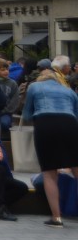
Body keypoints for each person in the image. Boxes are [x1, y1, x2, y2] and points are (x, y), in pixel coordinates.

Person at [22, 67, 78, 229]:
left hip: (45, 124)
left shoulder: (34, 87)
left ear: (41, 78)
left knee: (49, 173)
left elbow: (26, 114)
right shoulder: (69, 91)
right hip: (70, 124)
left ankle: (57, 218)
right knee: (76, 168)